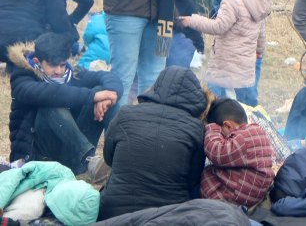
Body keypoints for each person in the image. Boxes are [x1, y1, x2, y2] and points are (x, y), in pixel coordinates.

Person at [98, 66, 209, 219]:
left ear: (156, 87)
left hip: (114, 212)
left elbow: (109, 158)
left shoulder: (125, 114)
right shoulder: (196, 129)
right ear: (195, 98)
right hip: (167, 216)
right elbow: (192, 180)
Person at [6, 34, 122, 178]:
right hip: (40, 159)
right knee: (52, 103)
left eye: (62, 64)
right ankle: (88, 158)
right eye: (53, 65)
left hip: (71, 156)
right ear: (37, 61)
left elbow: (108, 77)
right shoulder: (22, 78)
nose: (59, 71)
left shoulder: (71, 74)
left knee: (101, 90)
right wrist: (94, 96)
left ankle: (123, 160)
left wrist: (110, 95)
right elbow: (51, 94)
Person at [178, 0, 271, 100]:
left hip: (229, 65)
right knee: (241, 102)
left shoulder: (232, 0)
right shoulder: (256, 0)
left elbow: (218, 26)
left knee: (224, 100)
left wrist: (193, 20)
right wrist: (259, 50)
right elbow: (261, 31)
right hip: (245, 65)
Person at [200, 98, 275, 207]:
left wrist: (212, 129)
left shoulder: (243, 139)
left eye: (222, 133)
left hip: (238, 198)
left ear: (228, 126)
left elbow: (216, 152)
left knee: (206, 175)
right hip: (254, 193)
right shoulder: (257, 132)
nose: (223, 138)